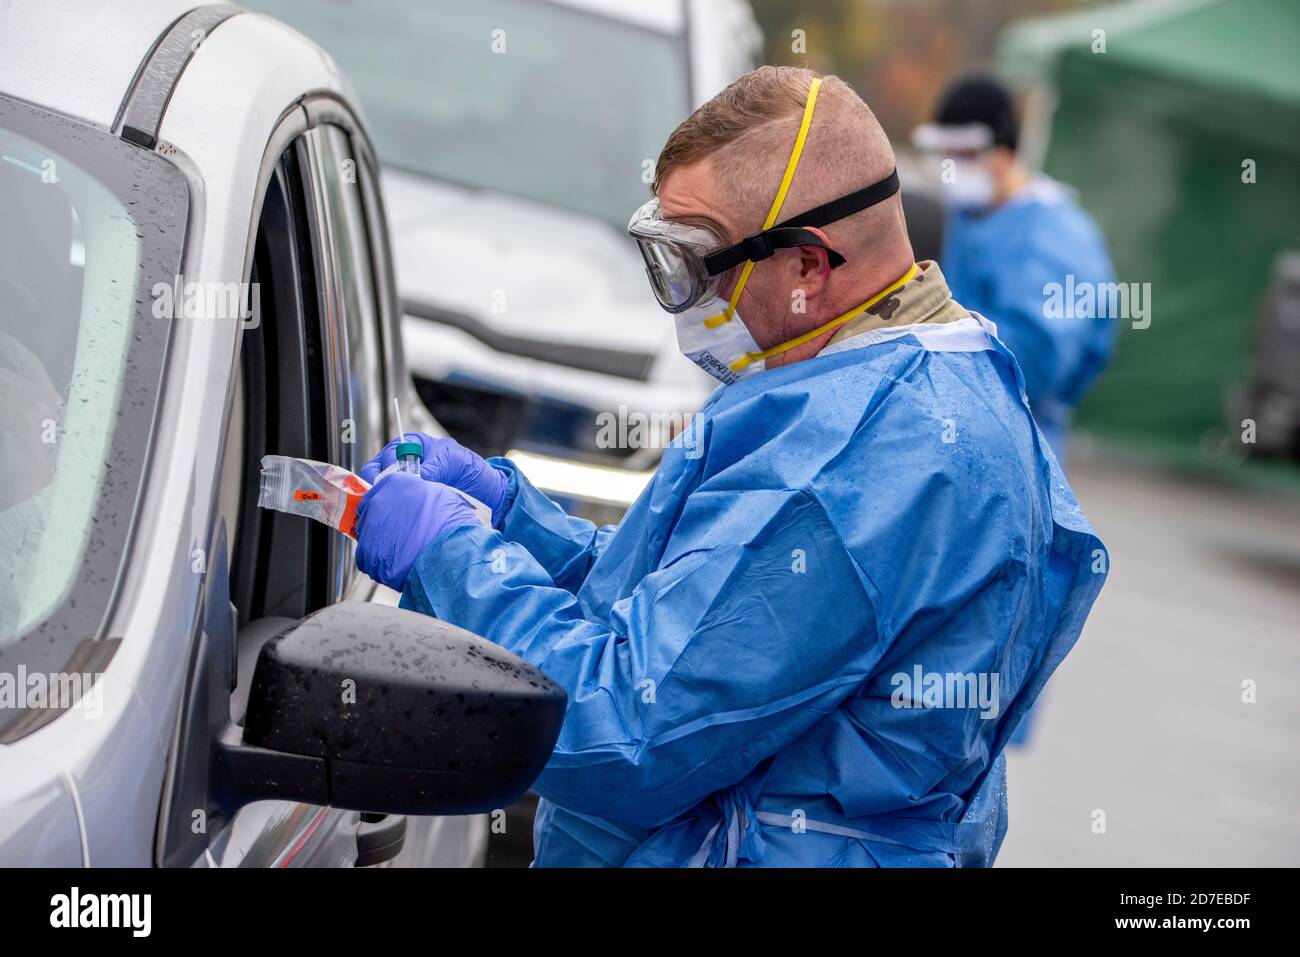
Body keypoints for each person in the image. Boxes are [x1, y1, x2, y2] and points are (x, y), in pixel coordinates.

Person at [353, 67, 1107, 867]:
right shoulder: (909, 376)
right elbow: (698, 613)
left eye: (697, 263)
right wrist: (511, 517)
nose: (684, 301)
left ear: (810, 266)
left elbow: (626, 732)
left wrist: (450, 554)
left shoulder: (849, 463)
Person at [915, 74, 1117, 460]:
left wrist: (935, 334)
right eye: (944, 153)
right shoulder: (970, 216)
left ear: (1005, 155)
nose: (950, 168)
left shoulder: (1055, 235)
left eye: (965, 156)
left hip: (1021, 442)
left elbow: (1036, 364)